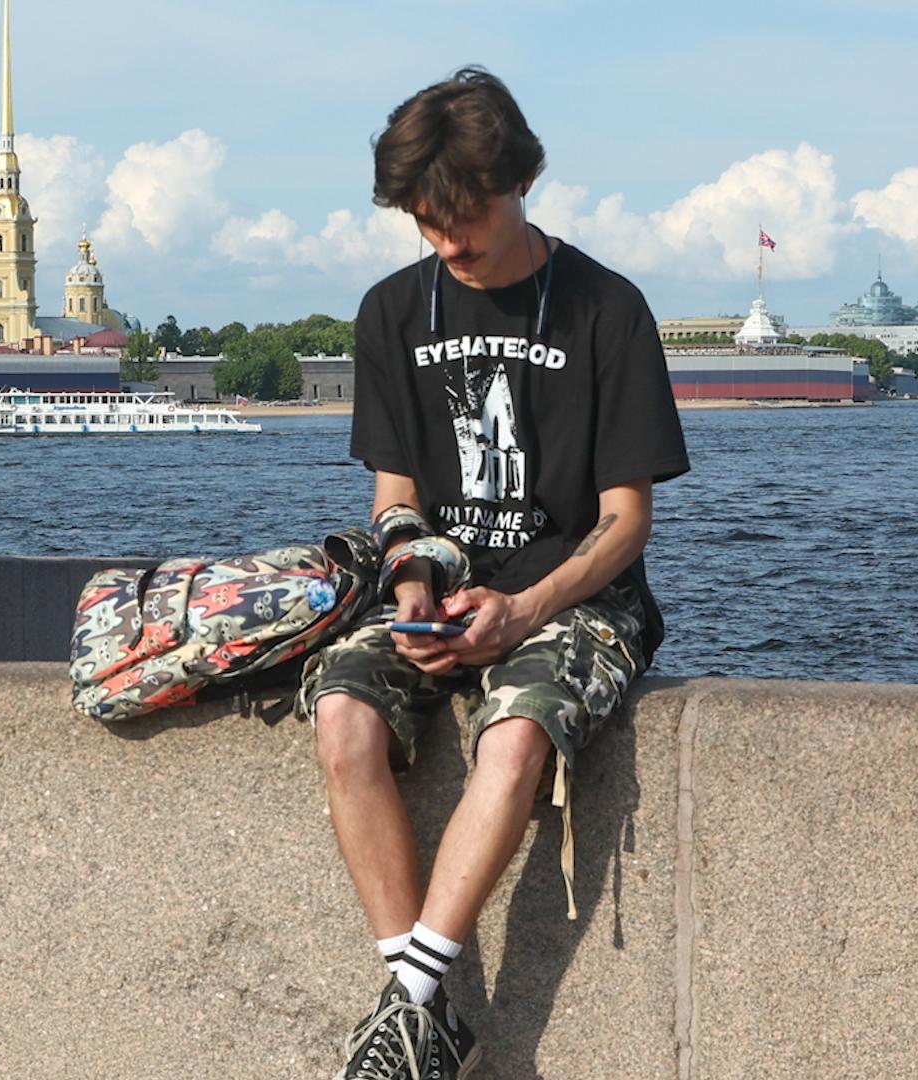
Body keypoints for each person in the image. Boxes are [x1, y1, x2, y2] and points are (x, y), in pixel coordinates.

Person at [306, 68, 690, 1080]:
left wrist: (522, 610)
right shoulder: (393, 312)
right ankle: (425, 1022)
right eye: (426, 224)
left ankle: (407, 1008)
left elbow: (625, 521)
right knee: (341, 715)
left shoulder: (608, 309)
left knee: (515, 734)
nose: (447, 243)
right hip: (438, 593)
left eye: (463, 219)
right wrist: (412, 589)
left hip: (578, 598)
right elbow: (396, 497)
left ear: (518, 180)